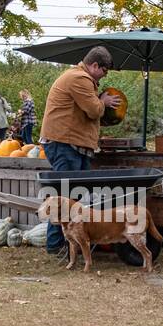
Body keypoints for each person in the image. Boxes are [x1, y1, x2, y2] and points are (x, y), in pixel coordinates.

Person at [39, 46, 121, 255]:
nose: (105, 75)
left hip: (72, 144)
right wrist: (103, 102)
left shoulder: (84, 80)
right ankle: (56, 244)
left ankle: (71, 241)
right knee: (65, 196)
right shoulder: (79, 79)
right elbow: (94, 109)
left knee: (74, 196)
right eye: (104, 70)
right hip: (64, 144)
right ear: (94, 65)